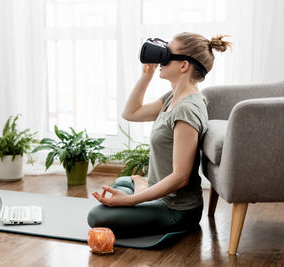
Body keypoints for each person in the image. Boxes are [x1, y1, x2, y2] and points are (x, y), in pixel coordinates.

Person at [87, 32, 232, 238]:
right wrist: (146, 75)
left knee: (97, 217)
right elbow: (131, 113)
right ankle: (141, 187)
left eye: (166, 54)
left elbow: (181, 177)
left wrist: (130, 201)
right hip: (161, 193)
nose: (159, 59)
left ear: (184, 65)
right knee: (120, 184)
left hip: (177, 208)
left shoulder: (186, 109)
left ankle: (141, 190)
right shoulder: (172, 97)